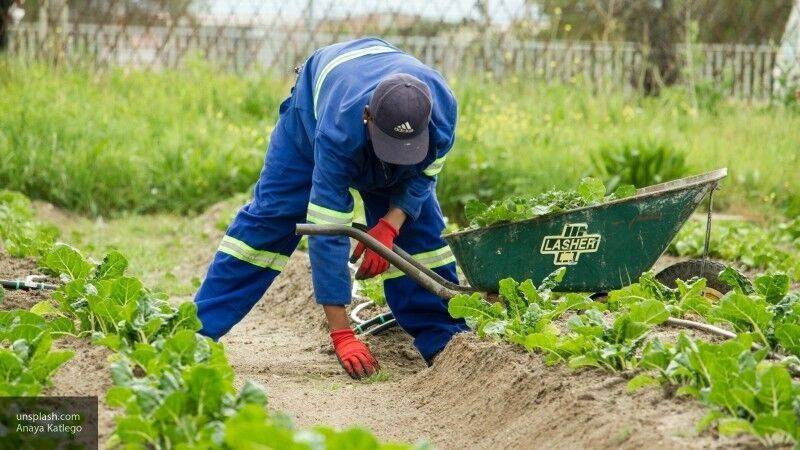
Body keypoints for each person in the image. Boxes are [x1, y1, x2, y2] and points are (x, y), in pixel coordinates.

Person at [195, 37, 468, 379]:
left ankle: (445, 342)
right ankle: (198, 332)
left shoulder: (442, 112)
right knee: (272, 220)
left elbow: (423, 176)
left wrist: (390, 225)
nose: (395, 159)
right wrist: (341, 332)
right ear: (368, 118)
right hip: (312, 116)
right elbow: (328, 232)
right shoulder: (339, 130)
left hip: (383, 112)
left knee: (419, 234)